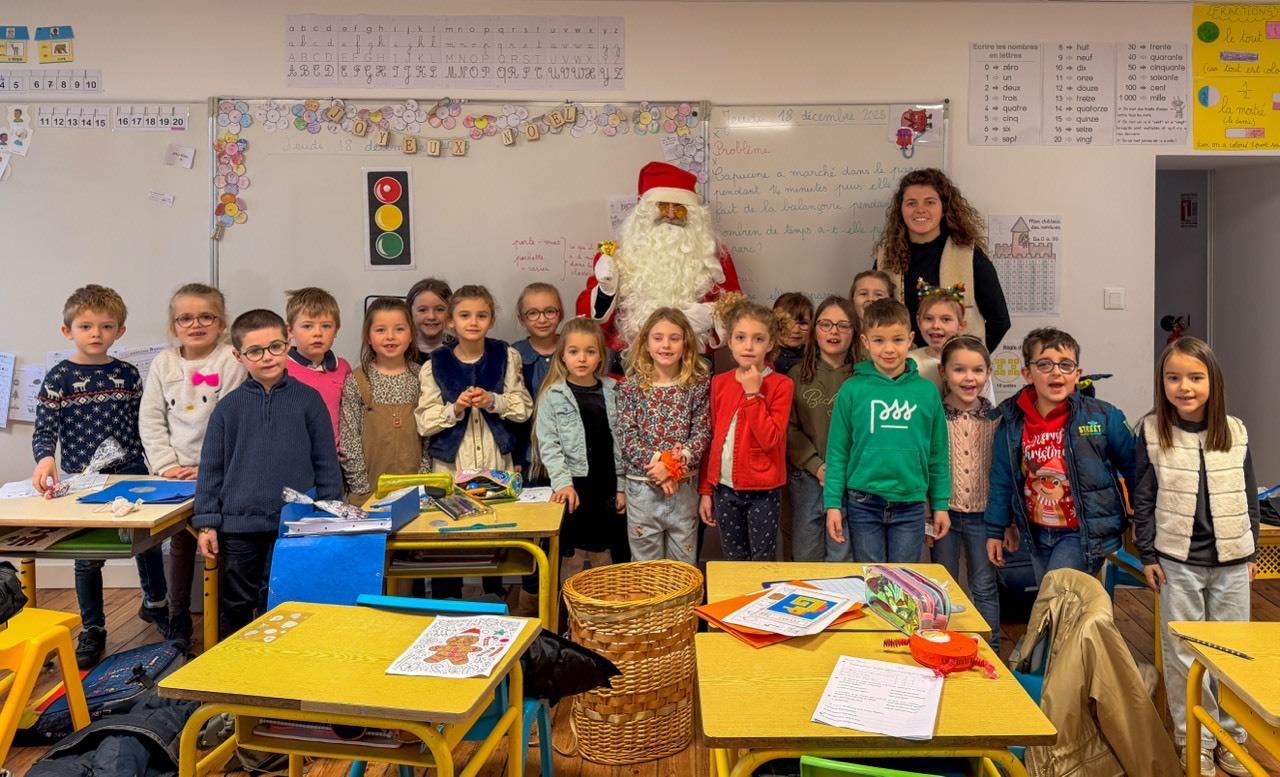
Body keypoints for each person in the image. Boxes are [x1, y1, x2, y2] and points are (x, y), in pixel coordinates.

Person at [1133, 337, 1257, 777]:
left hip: (1232, 562)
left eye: (1195, 377)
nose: (1184, 387)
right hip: (1177, 563)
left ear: (1212, 381)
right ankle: (1195, 739)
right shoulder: (1152, 431)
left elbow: (1248, 494)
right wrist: (1148, 553)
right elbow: (1143, 499)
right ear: (1162, 383)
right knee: (1184, 653)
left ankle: (1232, 736)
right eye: (1173, 378)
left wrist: (1250, 549)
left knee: (1232, 653)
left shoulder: (1235, 430)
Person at [32, 284, 169, 667]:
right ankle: (93, 628)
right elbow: (45, 428)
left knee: (148, 544)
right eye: (86, 326)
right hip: (84, 480)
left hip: (134, 474)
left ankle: (156, 604)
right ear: (68, 331)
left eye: (106, 326)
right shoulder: (58, 378)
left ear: (120, 331)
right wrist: (44, 459)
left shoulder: (128, 375)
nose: (96, 334)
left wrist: (161, 464)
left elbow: (146, 424)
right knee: (87, 557)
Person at [194, 309, 341, 638]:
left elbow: (326, 462)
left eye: (275, 347)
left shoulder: (309, 400)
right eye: (255, 351)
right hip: (239, 527)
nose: (267, 357)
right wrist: (206, 522)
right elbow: (211, 469)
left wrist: (329, 513)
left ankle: (278, 662)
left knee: (282, 600)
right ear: (238, 356)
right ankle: (235, 663)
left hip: (294, 524)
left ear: (288, 344)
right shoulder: (228, 408)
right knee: (236, 603)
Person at [139, 283, 246, 651]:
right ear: (174, 325)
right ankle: (178, 616)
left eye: (206, 317)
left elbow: (232, 420)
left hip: (221, 471)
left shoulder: (231, 360)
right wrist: (166, 465)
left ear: (222, 323)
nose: (196, 324)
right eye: (185, 318)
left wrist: (209, 468)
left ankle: (228, 620)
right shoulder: (164, 363)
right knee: (181, 546)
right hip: (177, 474)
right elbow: (151, 418)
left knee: (225, 544)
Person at [985, 328, 1136, 579]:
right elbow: (1002, 478)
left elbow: (1135, 468)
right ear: (1027, 374)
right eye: (1044, 364)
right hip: (1036, 534)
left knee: (1054, 594)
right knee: (1053, 598)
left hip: (1082, 535)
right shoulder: (1012, 422)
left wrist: (1141, 520)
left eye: (1065, 365)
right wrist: (999, 527)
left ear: (1077, 374)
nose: (1056, 372)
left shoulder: (1103, 416)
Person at [416, 285, 531, 598]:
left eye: (481, 315)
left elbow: (523, 408)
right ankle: (448, 598)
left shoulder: (506, 356)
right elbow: (424, 422)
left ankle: (496, 597)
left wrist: (493, 400)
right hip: (451, 464)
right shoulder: (434, 364)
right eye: (465, 315)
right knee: (450, 539)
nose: (473, 322)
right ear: (451, 321)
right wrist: (455, 408)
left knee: (496, 535)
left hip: (496, 460)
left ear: (491, 320)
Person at [824, 299, 950, 563]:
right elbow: (837, 452)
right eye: (879, 340)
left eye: (897, 339)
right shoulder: (852, 390)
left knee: (902, 579)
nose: (889, 349)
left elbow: (938, 454)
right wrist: (832, 504)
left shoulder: (926, 392)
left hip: (911, 504)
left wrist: (940, 504)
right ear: (865, 342)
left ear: (910, 339)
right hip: (863, 502)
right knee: (872, 578)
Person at [577, 161, 742, 353]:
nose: (671, 215)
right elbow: (585, 322)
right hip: (630, 361)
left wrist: (712, 315)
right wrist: (605, 293)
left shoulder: (712, 254)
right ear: (645, 211)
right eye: (663, 207)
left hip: (693, 362)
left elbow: (738, 309)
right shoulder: (616, 255)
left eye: (679, 208)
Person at [873, 168, 1010, 351]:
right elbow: (872, 315)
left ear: (944, 208)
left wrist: (972, 357)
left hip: (955, 365)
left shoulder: (968, 255)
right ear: (901, 210)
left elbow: (1000, 320)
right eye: (911, 203)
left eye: (930, 202)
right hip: (901, 364)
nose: (920, 210)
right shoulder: (886, 257)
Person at [698, 300, 793, 561]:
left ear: (770, 343)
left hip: (763, 491)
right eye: (740, 337)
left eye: (758, 339)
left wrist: (753, 394)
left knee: (762, 560)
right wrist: (706, 490)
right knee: (733, 559)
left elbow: (771, 439)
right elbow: (713, 440)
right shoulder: (719, 383)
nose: (748, 346)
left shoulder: (781, 385)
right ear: (730, 341)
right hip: (724, 490)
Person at [616, 308, 711, 563]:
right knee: (646, 567)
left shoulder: (697, 385)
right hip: (643, 488)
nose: (666, 345)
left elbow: (702, 432)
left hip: (683, 488)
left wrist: (673, 467)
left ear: (686, 343)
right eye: (658, 338)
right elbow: (627, 436)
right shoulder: (630, 387)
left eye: (674, 338)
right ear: (646, 343)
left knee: (683, 565)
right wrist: (661, 463)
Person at [533, 317, 628, 568]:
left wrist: (621, 487)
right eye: (574, 352)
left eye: (590, 352)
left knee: (604, 554)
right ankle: (570, 594)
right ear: (562, 356)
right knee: (571, 554)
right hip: (573, 485)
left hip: (607, 485)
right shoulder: (552, 395)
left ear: (601, 356)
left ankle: (602, 594)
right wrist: (563, 484)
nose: (582, 358)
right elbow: (549, 446)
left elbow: (623, 442)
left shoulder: (615, 390)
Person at [931, 335, 1004, 652]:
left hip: (984, 518)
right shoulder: (934, 416)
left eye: (977, 370)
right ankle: (941, 647)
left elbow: (1003, 474)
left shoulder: (997, 419)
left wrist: (1004, 523)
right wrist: (928, 514)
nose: (969, 378)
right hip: (943, 515)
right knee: (943, 586)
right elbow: (926, 466)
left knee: (984, 586)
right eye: (959, 369)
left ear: (988, 372)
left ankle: (992, 650)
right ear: (943, 372)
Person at [787, 296, 858, 562]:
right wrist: (816, 466)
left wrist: (841, 470)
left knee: (842, 558)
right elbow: (788, 429)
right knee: (805, 556)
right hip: (807, 478)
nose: (833, 332)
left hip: (850, 480)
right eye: (825, 324)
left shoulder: (864, 377)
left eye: (843, 325)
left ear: (855, 331)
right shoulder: (797, 375)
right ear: (815, 330)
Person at [338, 298, 428, 504]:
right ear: (368, 337)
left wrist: (423, 482)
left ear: (411, 335)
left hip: (417, 492)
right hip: (368, 493)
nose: (390, 337)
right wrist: (361, 488)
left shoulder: (423, 377)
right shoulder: (357, 380)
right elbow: (349, 439)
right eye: (380, 330)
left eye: (399, 329)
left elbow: (430, 436)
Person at [284, 287, 351, 446]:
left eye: (326, 326)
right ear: (290, 330)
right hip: (293, 452)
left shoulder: (343, 368)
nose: (317, 333)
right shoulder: (281, 368)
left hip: (332, 454)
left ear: (336, 330)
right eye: (308, 326)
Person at [909, 282, 996, 402]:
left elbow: (988, 405)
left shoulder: (976, 361)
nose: (936, 325)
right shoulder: (909, 361)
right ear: (918, 322)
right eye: (928, 318)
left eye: (946, 319)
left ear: (961, 325)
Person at [511, 282, 563, 477]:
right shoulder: (513, 354)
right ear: (521, 319)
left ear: (560, 313)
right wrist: (514, 457)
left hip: (568, 455)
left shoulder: (573, 350)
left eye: (549, 311)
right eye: (532, 313)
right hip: (527, 458)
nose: (542, 319)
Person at [406, 277, 453, 356]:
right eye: (422, 310)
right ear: (410, 312)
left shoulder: (461, 349)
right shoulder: (401, 350)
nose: (431, 317)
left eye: (439, 310)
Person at [771, 292, 812, 376]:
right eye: (788, 323)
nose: (796, 330)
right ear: (775, 323)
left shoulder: (814, 358)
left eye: (803, 323)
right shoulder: (765, 360)